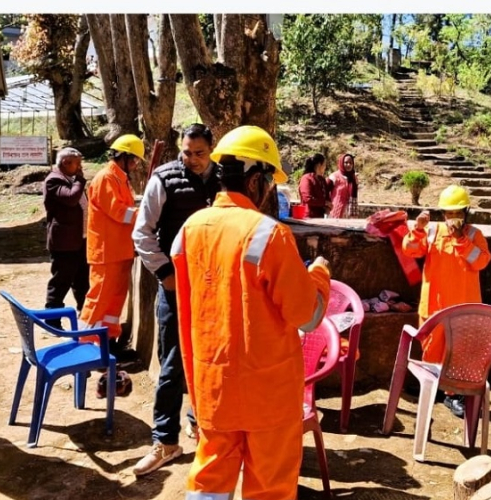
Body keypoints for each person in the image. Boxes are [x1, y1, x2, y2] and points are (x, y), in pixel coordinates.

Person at [171, 125, 331, 498]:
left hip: (213, 389)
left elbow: (187, 310)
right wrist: (319, 274)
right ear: (257, 180)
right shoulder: (268, 234)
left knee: (209, 481)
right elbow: (307, 315)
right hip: (267, 397)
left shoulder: (190, 229)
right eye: (270, 183)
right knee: (270, 486)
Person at [131, 124, 220, 476]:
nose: (193, 160)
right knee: (172, 365)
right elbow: (142, 232)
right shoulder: (164, 179)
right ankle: (165, 441)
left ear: (211, 149)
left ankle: (199, 421)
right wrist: (165, 273)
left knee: (211, 361)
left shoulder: (224, 178)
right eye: (187, 152)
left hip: (215, 289)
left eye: (199, 153)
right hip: (175, 289)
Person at [401, 184, 491, 418]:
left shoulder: (474, 235)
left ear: (466, 212)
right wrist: (418, 230)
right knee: (432, 350)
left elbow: (480, 262)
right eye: (449, 213)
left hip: (463, 308)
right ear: (443, 214)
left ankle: (455, 394)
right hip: (433, 307)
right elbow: (410, 250)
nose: (453, 218)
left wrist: (461, 239)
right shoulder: (432, 232)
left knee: (460, 352)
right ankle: (432, 386)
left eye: (457, 212)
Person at [79, 135, 142, 343]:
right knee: (99, 300)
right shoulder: (106, 178)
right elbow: (118, 212)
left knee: (115, 301)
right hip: (106, 252)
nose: (135, 165)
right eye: (133, 160)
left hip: (120, 250)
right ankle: (84, 343)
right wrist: (143, 212)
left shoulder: (119, 179)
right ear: (122, 157)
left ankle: (107, 341)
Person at [42, 147, 90, 329]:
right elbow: (70, 198)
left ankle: (84, 315)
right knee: (61, 281)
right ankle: (52, 320)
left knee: (82, 281)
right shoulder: (53, 180)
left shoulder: (70, 179)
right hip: (64, 243)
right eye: (77, 163)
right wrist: (80, 181)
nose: (80, 167)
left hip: (79, 240)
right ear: (65, 163)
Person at [298, 153, 330, 218]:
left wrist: (328, 206)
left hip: (321, 217)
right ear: (319, 165)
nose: (325, 167)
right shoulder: (306, 178)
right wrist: (325, 203)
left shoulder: (322, 179)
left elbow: (327, 197)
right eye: (324, 165)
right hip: (308, 217)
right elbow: (307, 199)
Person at [328, 153, 359, 218]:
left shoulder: (353, 178)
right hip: (336, 212)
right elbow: (324, 191)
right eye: (346, 162)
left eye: (351, 163)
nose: (349, 165)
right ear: (341, 163)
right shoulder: (334, 177)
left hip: (349, 213)